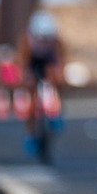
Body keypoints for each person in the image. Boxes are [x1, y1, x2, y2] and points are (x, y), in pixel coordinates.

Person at [18, 9, 66, 152]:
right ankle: (31, 133)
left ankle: (57, 112)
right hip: (33, 63)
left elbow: (60, 59)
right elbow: (22, 61)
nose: (45, 41)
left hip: (48, 62)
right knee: (31, 95)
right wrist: (26, 76)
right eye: (42, 38)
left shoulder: (56, 41)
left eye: (47, 38)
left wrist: (59, 74)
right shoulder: (27, 41)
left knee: (57, 80)